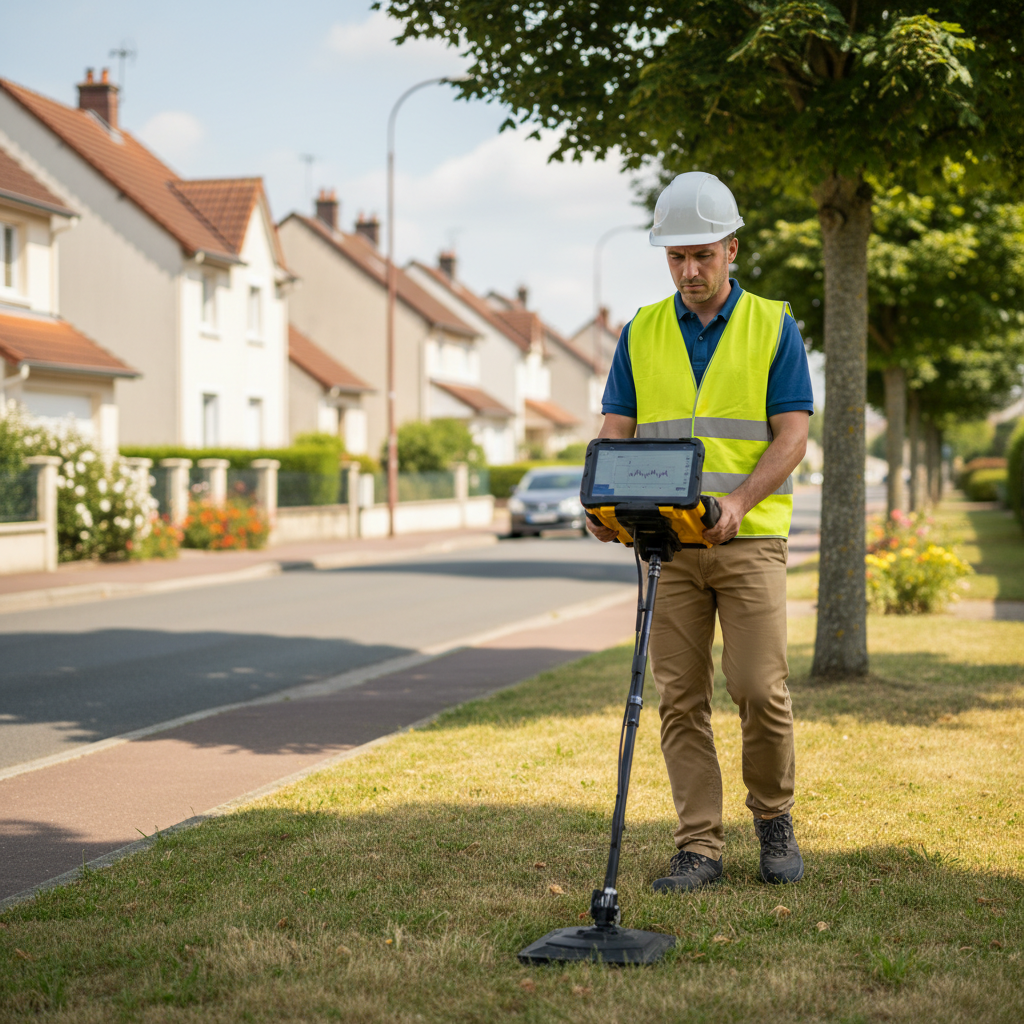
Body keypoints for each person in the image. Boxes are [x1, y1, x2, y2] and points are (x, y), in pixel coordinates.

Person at [589, 172, 813, 890]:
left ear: (732, 250)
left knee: (758, 687)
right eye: (676, 257)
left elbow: (792, 436)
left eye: (703, 256)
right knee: (679, 697)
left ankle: (773, 818)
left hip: (747, 541)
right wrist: (601, 505)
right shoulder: (641, 330)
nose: (690, 271)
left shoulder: (773, 325)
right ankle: (699, 845)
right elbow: (615, 433)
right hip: (666, 547)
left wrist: (742, 501)